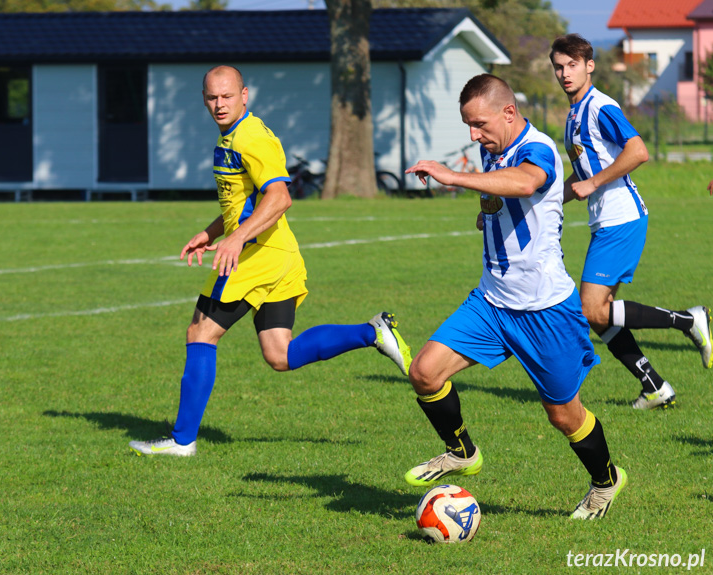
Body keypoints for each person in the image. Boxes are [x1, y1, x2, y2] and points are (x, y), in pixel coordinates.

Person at [129, 65, 411, 457]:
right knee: (280, 354)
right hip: (279, 253)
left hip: (255, 256)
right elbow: (244, 202)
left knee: (200, 334)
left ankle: (182, 442)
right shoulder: (230, 137)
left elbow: (280, 198)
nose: (219, 104)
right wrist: (212, 233)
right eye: (212, 97)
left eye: (227, 96)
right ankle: (373, 333)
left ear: (245, 95)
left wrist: (235, 240)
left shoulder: (251, 138)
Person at [404, 74, 625, 519]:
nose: (473, 135)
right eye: (468, 125)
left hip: (545, 311)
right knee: (425, 373)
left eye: (479, 124)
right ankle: (462, 451)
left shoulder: (536, 148)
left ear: (509, 113)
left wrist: (453, 176)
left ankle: (606, 480)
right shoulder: (494, 150)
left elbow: (527, 183)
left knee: (563, 416)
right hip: (491, 303)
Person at [549, 34, 712, 411]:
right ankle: (654, 386)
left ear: (589, 66)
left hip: (621, 217)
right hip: (605, 221)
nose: (564, 73)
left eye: (572, 65)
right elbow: (582, 177)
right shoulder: (574, 115)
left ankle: (688, 320)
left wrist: (593, 182)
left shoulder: (599, 107)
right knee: (600, 314)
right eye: (558, 66)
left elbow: (638, 151)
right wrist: (541, 203)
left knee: (592, 310)